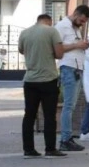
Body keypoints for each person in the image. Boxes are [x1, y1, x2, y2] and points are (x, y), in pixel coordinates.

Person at [18, 14, 67, 159]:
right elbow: (59, 54)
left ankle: (28, 149)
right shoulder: (51, 31)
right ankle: (50, 149)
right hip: (48, 79)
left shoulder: (24, 33)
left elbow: (21, 50)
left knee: (29, 115)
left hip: (30, 80)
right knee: (49, 116)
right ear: (48, 21)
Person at [55, 5, 89, 151]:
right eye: (81, 21)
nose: (82, 24)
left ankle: (67, 138)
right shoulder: (62, 26)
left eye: (84, 22)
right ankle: (65, 140)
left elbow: (74, 46)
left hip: (77, 68)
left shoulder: (75, 28)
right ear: (76, 14)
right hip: (69, 67)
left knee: (72, 105)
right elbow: (57, 48)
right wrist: (77, 44)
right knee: (69, 106)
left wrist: (83, 45)